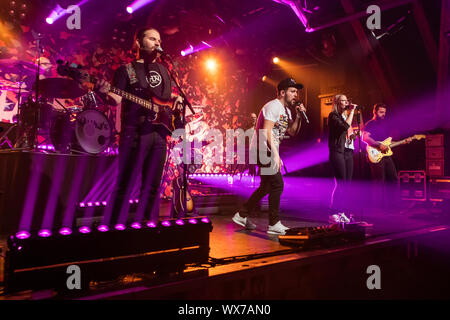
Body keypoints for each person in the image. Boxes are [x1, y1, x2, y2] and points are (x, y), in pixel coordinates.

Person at [97, 27, 183, 227]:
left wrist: (176, 99)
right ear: (138, 42)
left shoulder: (163, 70)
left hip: (159, 135)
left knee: (152, 187)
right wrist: (103, 92)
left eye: (159, 39)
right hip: (134, 134)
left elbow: (163, 99)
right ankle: (113, 228)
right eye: (152, 38)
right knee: (124, 185)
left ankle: (147, 227)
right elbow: (115, 99)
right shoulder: (126, 70)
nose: (157, 43)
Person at [232, 78, 306, 235]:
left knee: (266, 186)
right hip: (262, 149)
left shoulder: (286, 111)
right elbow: (266, 131)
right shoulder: (273, 106)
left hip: (268, 149)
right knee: (277, 184)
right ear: (282, 92)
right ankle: (274, 223)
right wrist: (275, 154)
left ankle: (242, 214)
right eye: (293, 91)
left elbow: (292, 132)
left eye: (296, 91)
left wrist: (299, 116)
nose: (296, 94)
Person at [363, 103, 411, 208]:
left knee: (394, 178)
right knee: (379, 180)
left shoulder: (385, 124)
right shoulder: (369, 124)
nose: (383, 114)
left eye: (384, 112)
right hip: (375, 154)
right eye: (381, 112)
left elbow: (388, 143)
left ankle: (393, 205)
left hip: (386, 155)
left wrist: (402, 142)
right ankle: (378, 207)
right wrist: (379, 145)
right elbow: (365, 138)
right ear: (374, 112)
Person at [327, 94, 358, 223]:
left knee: (347, 184)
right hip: (337, 151)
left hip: (348, 151)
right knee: (341, 183)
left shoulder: (345, 116)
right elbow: (344, 126)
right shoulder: (333, 116)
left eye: (347, 100)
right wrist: (352, 112)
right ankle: (333, 212)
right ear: (337, 103)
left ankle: (342, 212)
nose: (346, 103)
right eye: (344, 101)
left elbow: (347, 132)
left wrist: (353, 136)